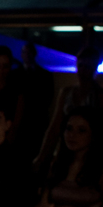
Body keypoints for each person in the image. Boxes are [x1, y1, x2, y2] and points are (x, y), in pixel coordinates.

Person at [34, 38, 103, 175]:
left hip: (89, 153)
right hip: (65, 149)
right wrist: (41, 157)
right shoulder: (67, 93)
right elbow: (54, 127)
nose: (83, 70)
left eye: (88, 66)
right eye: (81, 65)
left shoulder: (99, 95)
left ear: (94, 67)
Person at [15, 34, 55, 165]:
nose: (26, 55)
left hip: (38, 121)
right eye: (24, 53)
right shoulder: (15, 75)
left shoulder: (45, 75)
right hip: (20, 123)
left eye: (29, 53)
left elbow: (48, 97)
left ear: (34, 54)